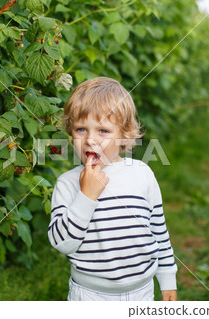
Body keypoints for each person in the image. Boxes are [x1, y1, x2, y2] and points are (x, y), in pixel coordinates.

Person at [48, 77, 178, 301]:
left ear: (124, 135)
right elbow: (63, 243)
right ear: (70, 133)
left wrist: (167, 280)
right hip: (89, 295)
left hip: (141, 292)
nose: (90, 140)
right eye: (81, 129)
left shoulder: (141, 174)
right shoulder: (67, 184)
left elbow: (158, 230)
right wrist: (86, 196)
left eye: (103, 131)